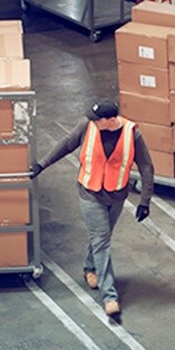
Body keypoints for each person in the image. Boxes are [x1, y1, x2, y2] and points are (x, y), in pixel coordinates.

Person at [30, 100, 155, 317]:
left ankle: (90, 268)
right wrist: (42, 165)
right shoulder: (87, 126)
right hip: (90, 193)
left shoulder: (131, 134)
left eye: (98, 119)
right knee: (101, 241)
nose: (93, 121)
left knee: (103, 237)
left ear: (111, 120)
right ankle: (110, 296)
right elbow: (66, 144)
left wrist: (145, 201)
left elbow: (146, 166)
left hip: (116, 195)